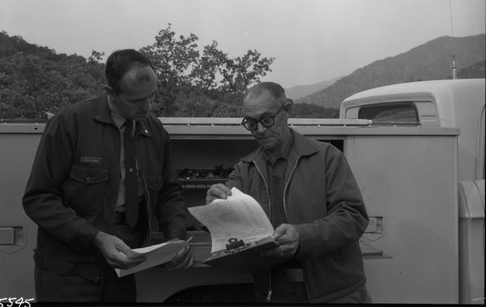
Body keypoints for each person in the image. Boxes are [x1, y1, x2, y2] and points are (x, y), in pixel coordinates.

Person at [23, 49, 193, 303]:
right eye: (137, 101)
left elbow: (169, 193)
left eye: (152, 96)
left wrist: (176, 238)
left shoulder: (154, 131)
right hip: (68, 273)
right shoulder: (70, 123)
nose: (148, 107)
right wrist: (96, 237)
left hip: (123, 270)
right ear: (110, 92)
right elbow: (38, 199)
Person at [206, 82, 371, 304]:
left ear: (286, 111)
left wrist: (303, 236)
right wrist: (216, 208)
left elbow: (353, 217)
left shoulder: (327, 157)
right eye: (251, 123)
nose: (260, 130)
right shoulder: (244, 170)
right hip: (275, 293)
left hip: (336, 293)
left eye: (266, 119)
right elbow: (230, 231)